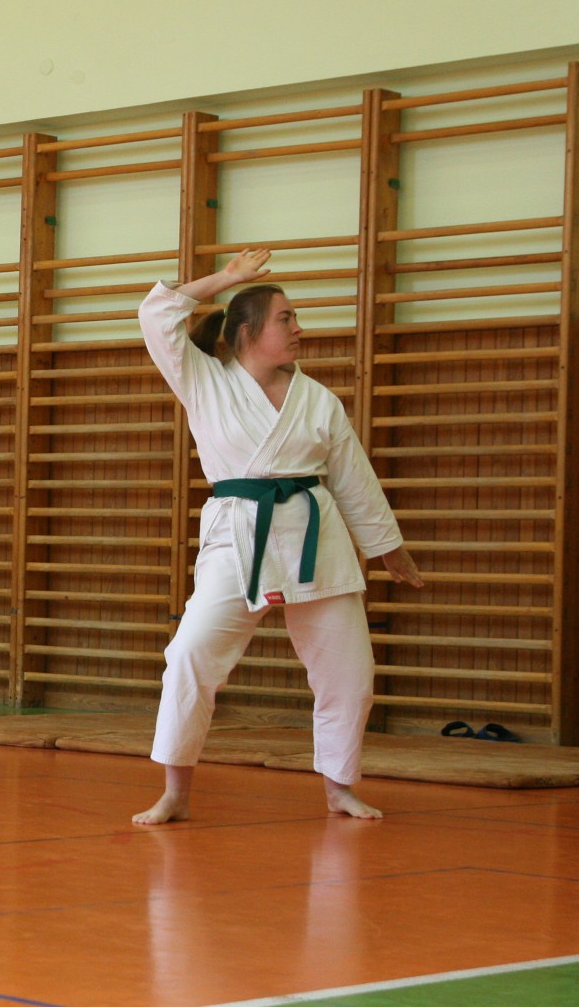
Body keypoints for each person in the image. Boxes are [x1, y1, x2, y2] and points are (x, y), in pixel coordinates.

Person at [133, 249, 423, 826]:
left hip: (316, 537)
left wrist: (388, 547)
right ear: (247, 332)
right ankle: (176, 793)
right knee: (190, 655)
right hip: (237, 535)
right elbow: (156, 314)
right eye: (285, 319)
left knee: (350, 672)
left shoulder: (317, 399)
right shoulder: (204, 381)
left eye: (295, 319)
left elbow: (353, 478)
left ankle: (339, 788)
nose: (298, 329)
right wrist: (226, 278)